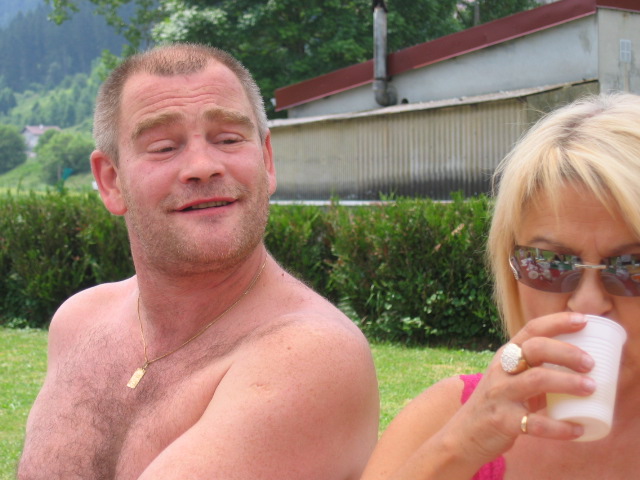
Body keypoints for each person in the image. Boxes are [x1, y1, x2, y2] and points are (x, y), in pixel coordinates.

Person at [18, 43, 379, 480]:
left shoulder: (312, 355)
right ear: (111, 181)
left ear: (266, 160)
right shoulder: (77, 323)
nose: (203, 166)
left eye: (228, 139)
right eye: (163, 146)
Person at [360, 92, 640, 479]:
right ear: (510, 268)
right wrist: (461, 447)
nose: (588, 302)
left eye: (632, 266)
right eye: (550, 263)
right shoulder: (445, 419)